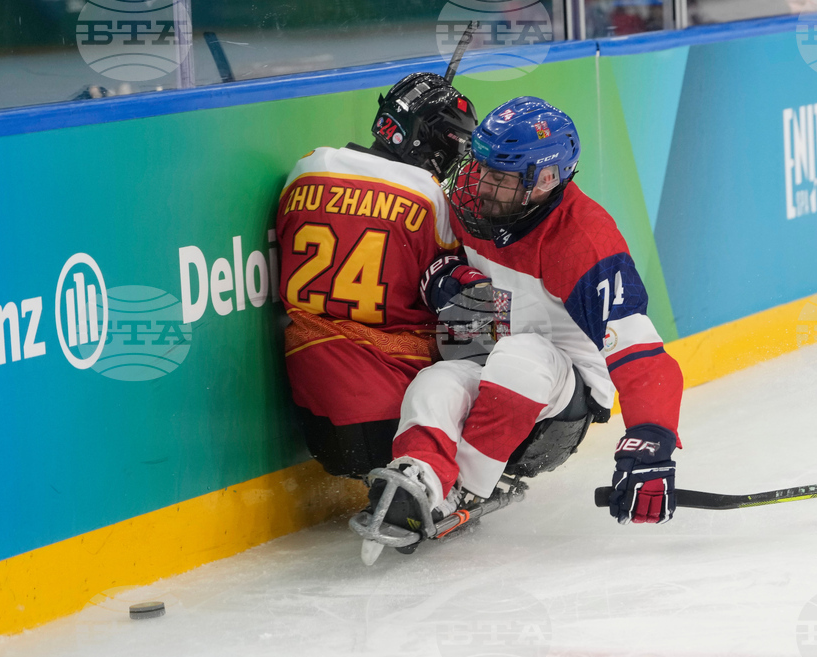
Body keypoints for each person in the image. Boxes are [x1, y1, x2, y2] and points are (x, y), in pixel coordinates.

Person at [363, 97, 685, 535]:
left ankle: (467, 488)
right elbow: (446, 263)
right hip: (495, 365)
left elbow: (639, 349)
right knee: (436, 381)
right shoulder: (474, 202)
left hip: (563, 403)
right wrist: (452, 274)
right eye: (482, 167)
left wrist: (651, 443)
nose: (483, 185)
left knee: (521, 356)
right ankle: (421, 480)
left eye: (501, 177)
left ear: (546, 180)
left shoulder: (584, 239)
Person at [275, 72, 478, 478]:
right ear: (434, 142)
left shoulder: (306, 167)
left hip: (313, 405)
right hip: (399, 411)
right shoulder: (431, 199)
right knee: (482, 315)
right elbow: (466, 300)